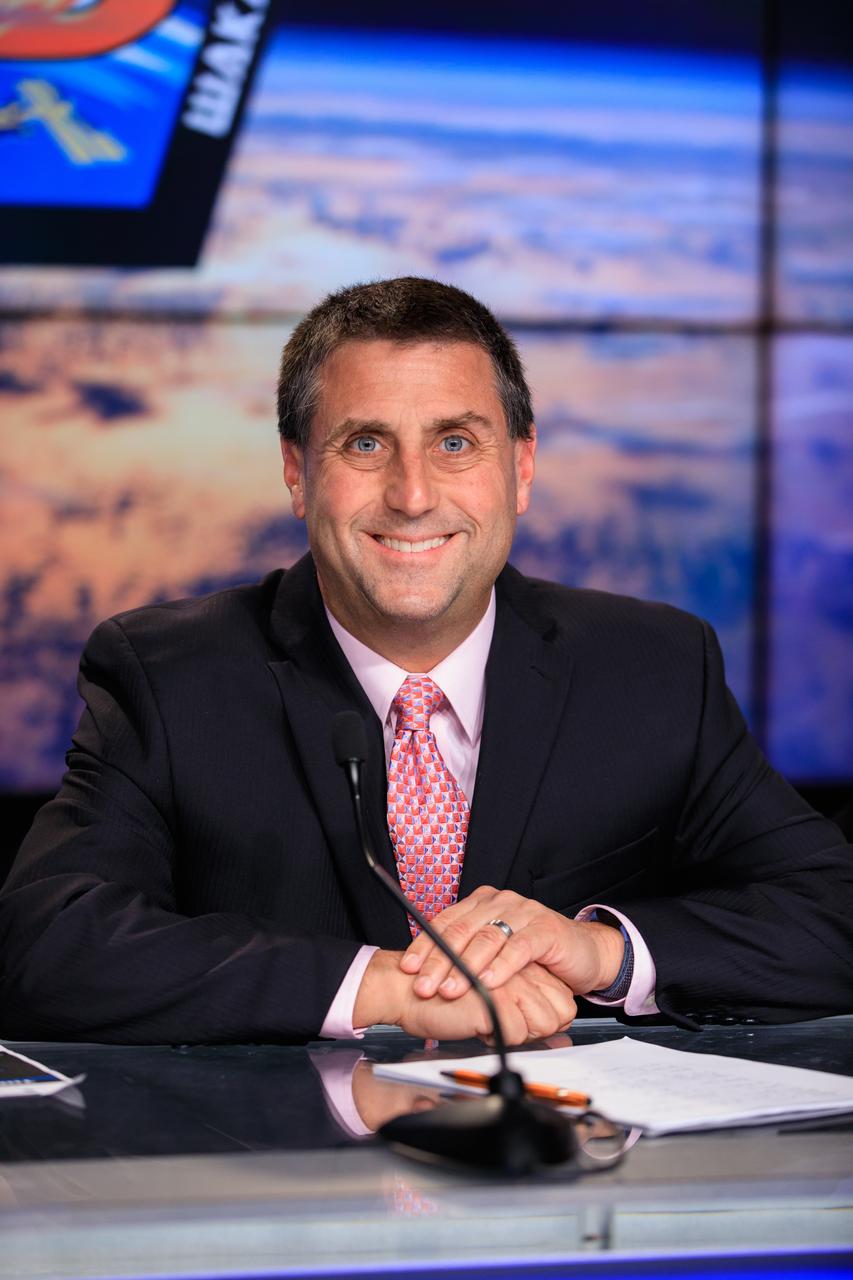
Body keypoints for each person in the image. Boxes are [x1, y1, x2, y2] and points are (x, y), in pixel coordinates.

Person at [1, 277, 851, 1046]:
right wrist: (376, 985)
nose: (411, 495)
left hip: (563, 1181)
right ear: (297, 473)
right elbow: (45, 942)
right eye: (365, 445)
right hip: (287, 1186)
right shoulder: (169, 677)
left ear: (519, 469)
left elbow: (831, 911)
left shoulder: (654, 667)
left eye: (454, 444)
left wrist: (599, 950)